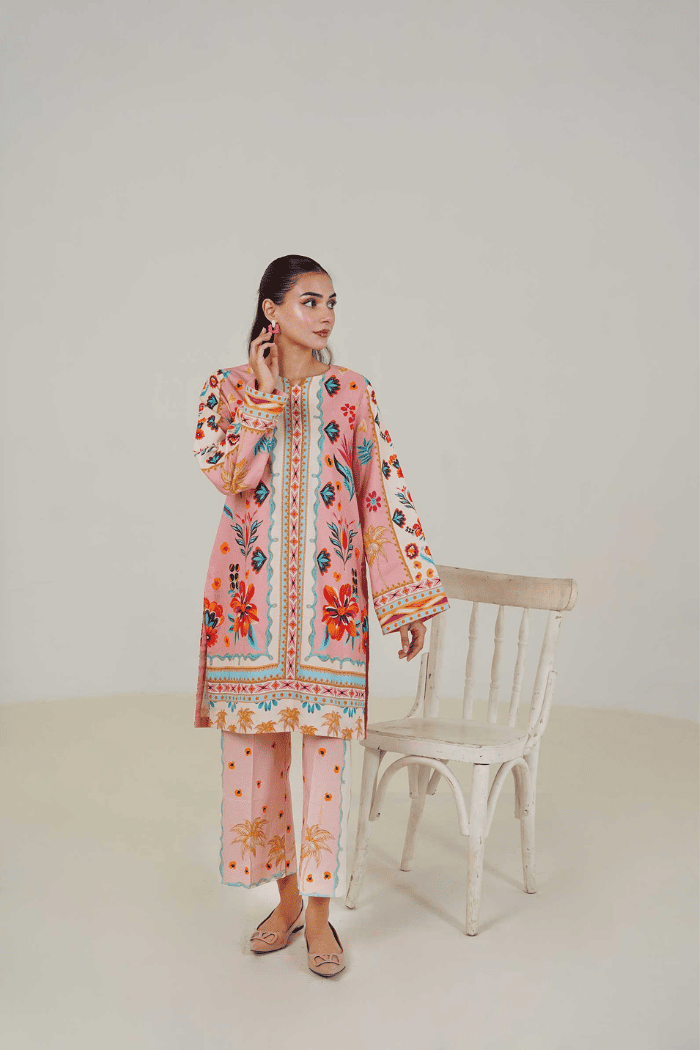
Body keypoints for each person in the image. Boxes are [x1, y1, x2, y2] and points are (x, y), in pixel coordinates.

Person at [192, 254, 450, 976]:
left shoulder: (354, 395)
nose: (326, 312)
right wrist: (268, 398)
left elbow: (380, 496)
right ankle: (279, 900)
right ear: (271, 310)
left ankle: (317, 914)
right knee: (258, 761)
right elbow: (228, 474)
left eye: (332, 300)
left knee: (327, 763)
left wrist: (401, 601)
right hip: (248, 608)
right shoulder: (230, 390)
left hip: (332, 613)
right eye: (309, 300)